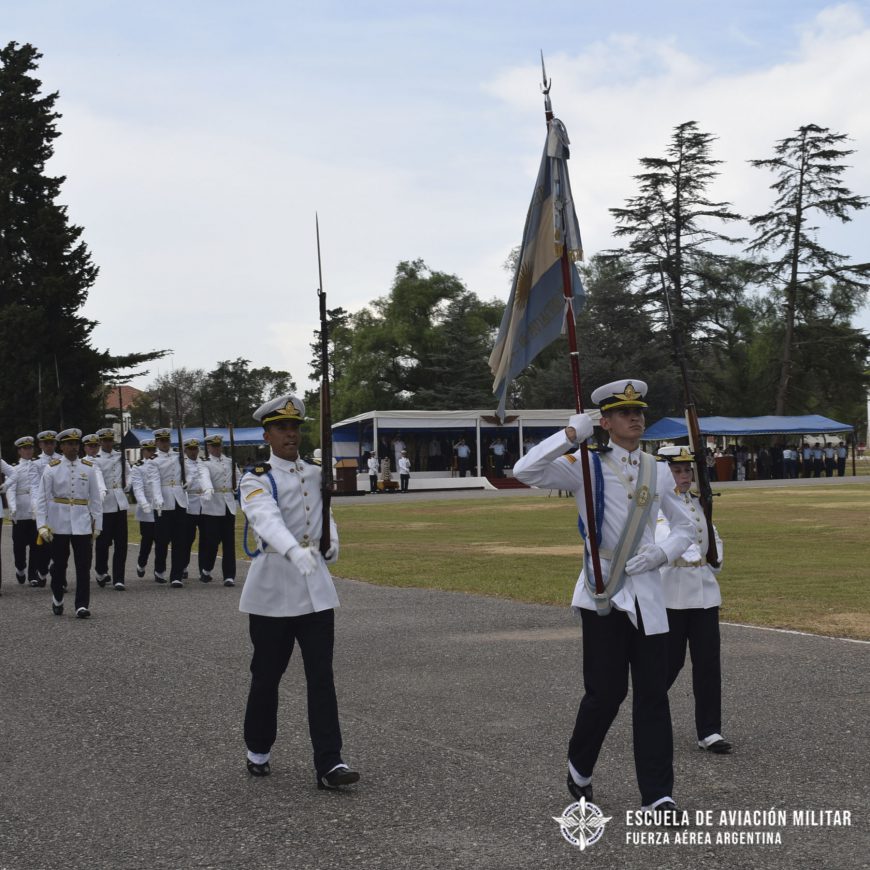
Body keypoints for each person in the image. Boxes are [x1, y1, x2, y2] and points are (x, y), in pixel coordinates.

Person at [513, 379, 694, 814]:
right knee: (605, 694)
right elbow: (525, 471)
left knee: (653, 696)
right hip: (603, 592)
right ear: (606, 421)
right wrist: (569, 436)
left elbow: (685, 527)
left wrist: (661, 553)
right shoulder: (585, 465)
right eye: (625, 412)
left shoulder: (659, 470)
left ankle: (658, 794)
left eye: (639, 411)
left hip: (648, 595)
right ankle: (580, 766)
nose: (635, 418)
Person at [238, 393, 360, 789]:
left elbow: (326, 513)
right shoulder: (256, 477)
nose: (290, 434)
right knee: (267, 675)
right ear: (267, 435)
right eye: (281, 428)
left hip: (315, 591)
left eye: (294, 428)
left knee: (321, 677)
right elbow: (264, 519)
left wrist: (333, 540)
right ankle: (258, 747)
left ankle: (330, 762)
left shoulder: (313, 472)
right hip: (274, 586)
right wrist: (293, 549)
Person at [655, 445, 732, 756]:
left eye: (688, 470)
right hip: (671, 595)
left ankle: (710, 731)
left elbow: (713, 537)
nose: (685, 475)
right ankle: (649, 718)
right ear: (664, 473)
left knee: (708, 666)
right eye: (677, 470)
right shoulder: (657, 508)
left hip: (703, 594)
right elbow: (667, 543)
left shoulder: (698, 503)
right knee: (668, 665)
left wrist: (714, 559)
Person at [35, 428, 103, 618]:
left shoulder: (88, 468)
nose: (73, 448)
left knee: (83, 566)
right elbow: (42, 499)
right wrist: (41, 524)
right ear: (62, 446)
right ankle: (57, 596)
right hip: (59, 523)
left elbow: (96, 499)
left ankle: (81, 605)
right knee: (59, 565)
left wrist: (97, 525)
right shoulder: (52, 468)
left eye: (76, 444)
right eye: (69, 444)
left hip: (82, 523)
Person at [198, 433, 239, 587]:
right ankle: (207, 569)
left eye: (218, 446)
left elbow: (239, 477)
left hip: (228, 504)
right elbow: (204, 477)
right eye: (213, 446)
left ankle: (229, 576)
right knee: (212, 542)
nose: (216, 449)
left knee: (229, 542)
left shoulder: (229, 461)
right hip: (212, 506)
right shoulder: (204, 463)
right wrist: (208, 489)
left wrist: (240, 488)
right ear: (208, 447)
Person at [93, 428, 132, 591]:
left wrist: (128, 484)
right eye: (105, 440)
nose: (108, 443)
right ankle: (101, 571)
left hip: (120, 502)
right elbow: (97, 477)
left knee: (121, 543)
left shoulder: (120, 456)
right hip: (104, 503)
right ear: (100, 442)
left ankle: (119, 578)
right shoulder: (96, 459)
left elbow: (129, 473)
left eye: (110, 440)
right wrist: (101, 490)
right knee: (103, 543)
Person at [151, 428, 189, 587]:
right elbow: (154, 481)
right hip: (163, 502)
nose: (165, 444)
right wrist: (158, 499)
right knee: (162, 540)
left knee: (180, 540)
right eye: (162, 441)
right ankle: (160, 569)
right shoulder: (153, 460)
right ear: (157, 443)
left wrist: (189, 482)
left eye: (167, 440)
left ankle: (176, 575)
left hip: (179, 499)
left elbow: (190, 473)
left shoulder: (179, 456)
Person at [3, 436, 42, 585]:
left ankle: (33, 575)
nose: (28, 451)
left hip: (34, 511)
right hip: (20, 510)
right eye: (24, 448)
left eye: (30, 448)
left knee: (35, 545)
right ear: (19, 451)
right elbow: (11, 490)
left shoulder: (37, 467)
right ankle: (20, 568)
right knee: (18, 545)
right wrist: (12, 507)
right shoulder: (14, 469)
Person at [31, 430, 59, 585]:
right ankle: (42, 570)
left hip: (60, 507)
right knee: (43, 546)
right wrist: (36, 507)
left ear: (55, 443)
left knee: (59, 544)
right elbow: (35, 487)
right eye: (45, 443)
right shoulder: (36, 464)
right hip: (44, 507)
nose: (49, 446)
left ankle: (59, 578)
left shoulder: (62, 460)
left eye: (51, 442)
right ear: (41, 444)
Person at [130, 438, 161, 578]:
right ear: (143, 451)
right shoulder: (138, 466)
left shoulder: (160, 463)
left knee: (161, 539)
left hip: (161, 506)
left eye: (153, 450)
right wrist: (144, 504)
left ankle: (159, 570)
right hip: (146, 508)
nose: (151, 452)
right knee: (147, 540)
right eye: (148, 450)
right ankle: (142, 563)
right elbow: (138, 488)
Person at [181, 438, 206, 581]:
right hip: (189, 503)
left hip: (205, 503)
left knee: (205, 539)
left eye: (195, 448)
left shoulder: (203, 463)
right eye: (190, 449)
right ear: (185, 450)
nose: (193, 451)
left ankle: (203, 568)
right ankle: (183, 566)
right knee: (187, 539)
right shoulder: (181, 464)